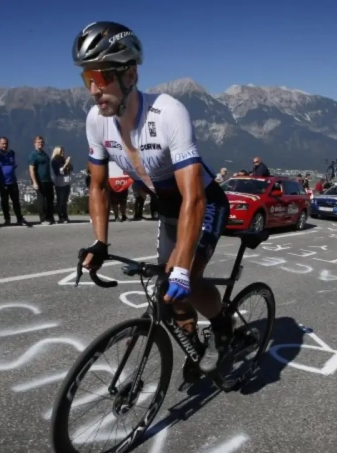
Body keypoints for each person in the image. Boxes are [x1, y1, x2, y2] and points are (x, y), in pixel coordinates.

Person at [73, 21, 230, 373]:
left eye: (100, 78)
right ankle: (193, 346)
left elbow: (194, 199)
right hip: (169, 208)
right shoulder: (95, 121)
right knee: (169, 290)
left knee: (185, 280)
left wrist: (183, 271)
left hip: (203, 204)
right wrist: (100, 242)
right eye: (88, 80)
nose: (94, 91)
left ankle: (222, 326)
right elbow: (97, 185)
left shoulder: (168, 113)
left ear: (129, 75)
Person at [29, 136, 55, 225]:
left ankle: (50, 217)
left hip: (47, 180)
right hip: (39, 180)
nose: (40, 144)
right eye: (38, 142)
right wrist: (34, 182)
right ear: (34, 143)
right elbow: (31, 169)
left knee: (50, 199)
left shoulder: (44, 154)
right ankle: (43, 219)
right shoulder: (33, 155)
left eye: (41, 142)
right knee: (41, 201)